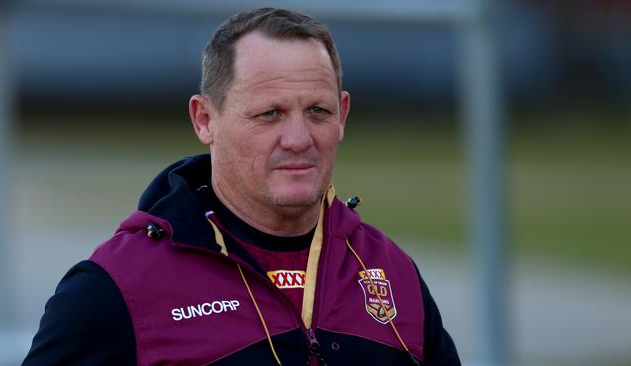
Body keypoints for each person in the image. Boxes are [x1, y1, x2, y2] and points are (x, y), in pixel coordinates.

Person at [23, 7, 460, 366]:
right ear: (204, 120)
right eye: (269, 114)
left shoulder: (391, 273)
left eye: (318, 111)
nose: (298, 139)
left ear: (342, 115)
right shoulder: (117, 288)